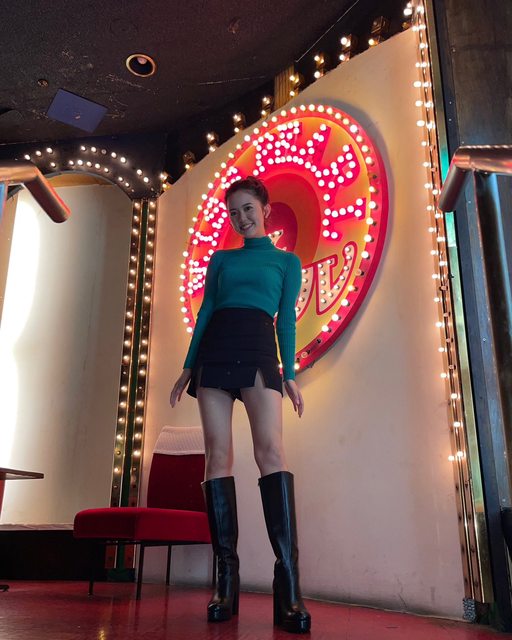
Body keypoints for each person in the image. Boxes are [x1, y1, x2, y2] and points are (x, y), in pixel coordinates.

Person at [170, 176, 311, 634]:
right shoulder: (221, 260)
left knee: (271, 452)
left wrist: (289, 374)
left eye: (248, 208)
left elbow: (286, 321)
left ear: (265, 209)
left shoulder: (287, 262)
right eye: (233, 212)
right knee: (217, 455)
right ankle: (225, 581)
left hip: (257, 348)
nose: (241, 218)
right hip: (215, 351)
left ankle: (288, 584)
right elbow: (206, 311)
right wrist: (188, 366)